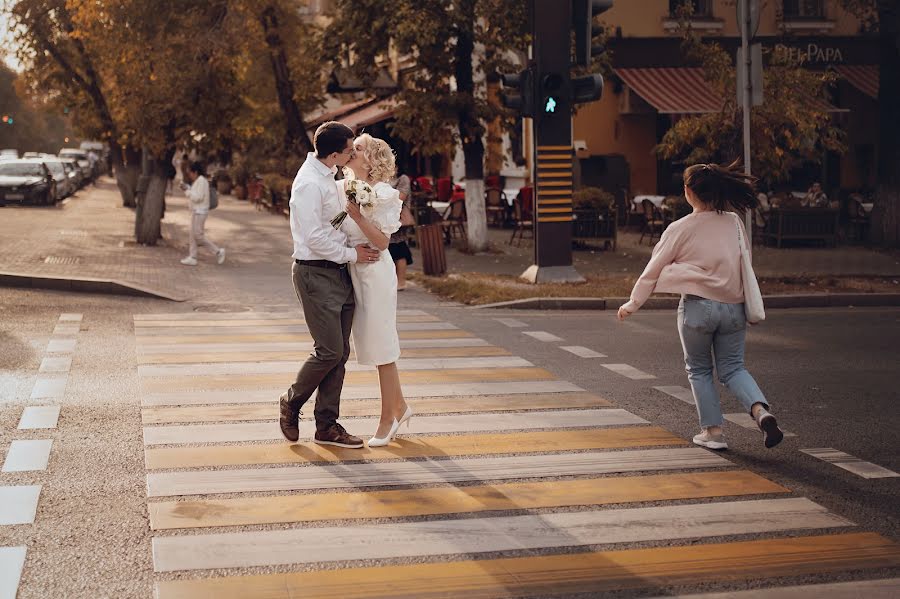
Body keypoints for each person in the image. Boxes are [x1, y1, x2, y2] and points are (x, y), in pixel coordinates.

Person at [617, 160, 784, 451]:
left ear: (688, 192)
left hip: (697, 308)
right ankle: (761, 412)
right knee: (733, 368)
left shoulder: (680, 227)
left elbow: (653, 269)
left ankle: (714, 432)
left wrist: (633, 303)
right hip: (733, 307)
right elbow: (745, 262)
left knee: (699, 370)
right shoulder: (734, 222)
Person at [278, 121, 381, 449]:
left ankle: (326, 425)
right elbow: (314, 238)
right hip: (315, 273)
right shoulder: (309, 183)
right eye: (350, 150)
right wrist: (353, 254)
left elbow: (333, 225)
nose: (353, 154)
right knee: (329, 350)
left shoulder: (329, 175)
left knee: (340, 354)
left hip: (338, 273)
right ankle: (291, 402)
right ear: (334, 153)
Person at [341, 133, 412, 446]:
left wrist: (357, 216)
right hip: (357, 270)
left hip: (377, 272)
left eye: (357, 149)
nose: (350, 152)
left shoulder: (384, 194)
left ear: (369, 160)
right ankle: (402, 407)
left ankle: (388, 418)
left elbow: (383, 242)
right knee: (375, 345)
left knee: (383, 347)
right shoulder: (346, 188)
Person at [179, 162, 225, 266]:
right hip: (197, 211)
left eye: (190, 172)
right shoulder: (198, 181)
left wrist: (187, 190)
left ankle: (218, 251)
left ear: (195, 172)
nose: (189, 175)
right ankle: (192, 257)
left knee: (198, 236)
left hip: (200, 211)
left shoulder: (201, 181)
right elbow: (196, 194)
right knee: (192, 235)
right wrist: (187, 188)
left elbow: (197, 197)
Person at [387, 171, 413, 290]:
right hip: (386, 219)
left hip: (398, 218)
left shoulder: (403, 179)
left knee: (400, 249)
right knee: (390, 250)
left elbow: (401, 197)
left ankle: (401, 282)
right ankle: (394, 281)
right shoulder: (383, 178)